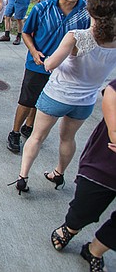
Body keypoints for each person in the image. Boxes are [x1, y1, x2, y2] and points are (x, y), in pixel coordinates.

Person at [11, 0, 116, 195]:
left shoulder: (77, 36)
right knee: (68, 138)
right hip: (85, 100)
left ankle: (23, 177)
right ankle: (59, 173)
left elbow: (50, 64)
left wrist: (48, 59)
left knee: (37, 137)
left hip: (58, 94)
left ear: (91, 11)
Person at [5, 0, 91, 155]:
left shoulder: (85, 12)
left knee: (43, 102)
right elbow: (27, 33)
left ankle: (30, 126)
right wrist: (34, 52)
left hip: (66, 68)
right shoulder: (42, 9)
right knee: (27, 100)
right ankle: (15, 131)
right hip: (38, 63)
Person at [49, 79, 116, 272]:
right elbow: (111, 91)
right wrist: (114, 132)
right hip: (108, 162)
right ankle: (71, 227)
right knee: (86, 205)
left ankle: (95, 250)